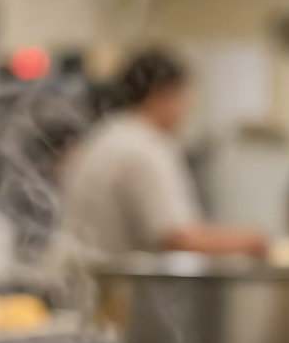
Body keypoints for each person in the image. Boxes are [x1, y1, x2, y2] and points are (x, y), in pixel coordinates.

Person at [60, 50, 267, 258]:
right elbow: (177, 238)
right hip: (108, 286)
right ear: (163, 94)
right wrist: (251, 240)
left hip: (78, 278)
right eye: (183, 98)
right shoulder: (143, 148)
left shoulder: (108, 134)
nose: (186, 110)